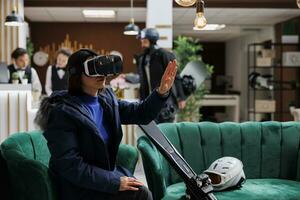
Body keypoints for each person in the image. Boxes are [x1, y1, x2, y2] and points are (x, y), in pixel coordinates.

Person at [34, 49, 177, 200]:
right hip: (78, 187)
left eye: (101, 67)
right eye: (93, 68)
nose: (100, 73)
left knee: (140, 189)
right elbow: (71, 166)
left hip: (103, 177)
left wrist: (161, 92)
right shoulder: (62, 112)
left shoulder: (106, 99)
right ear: (77, 74)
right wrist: (115, 182)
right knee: (141, 194)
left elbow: (141, 113)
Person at [136, 28, 186, 123]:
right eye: (141, 40)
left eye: (144, 40)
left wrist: (181, 97)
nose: (142, 42)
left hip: (165, 101)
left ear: (152, 40)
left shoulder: (164, 54)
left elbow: (175, 77)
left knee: (165, 129)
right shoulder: (143, 58)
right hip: (149, 100)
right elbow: (142, 78)